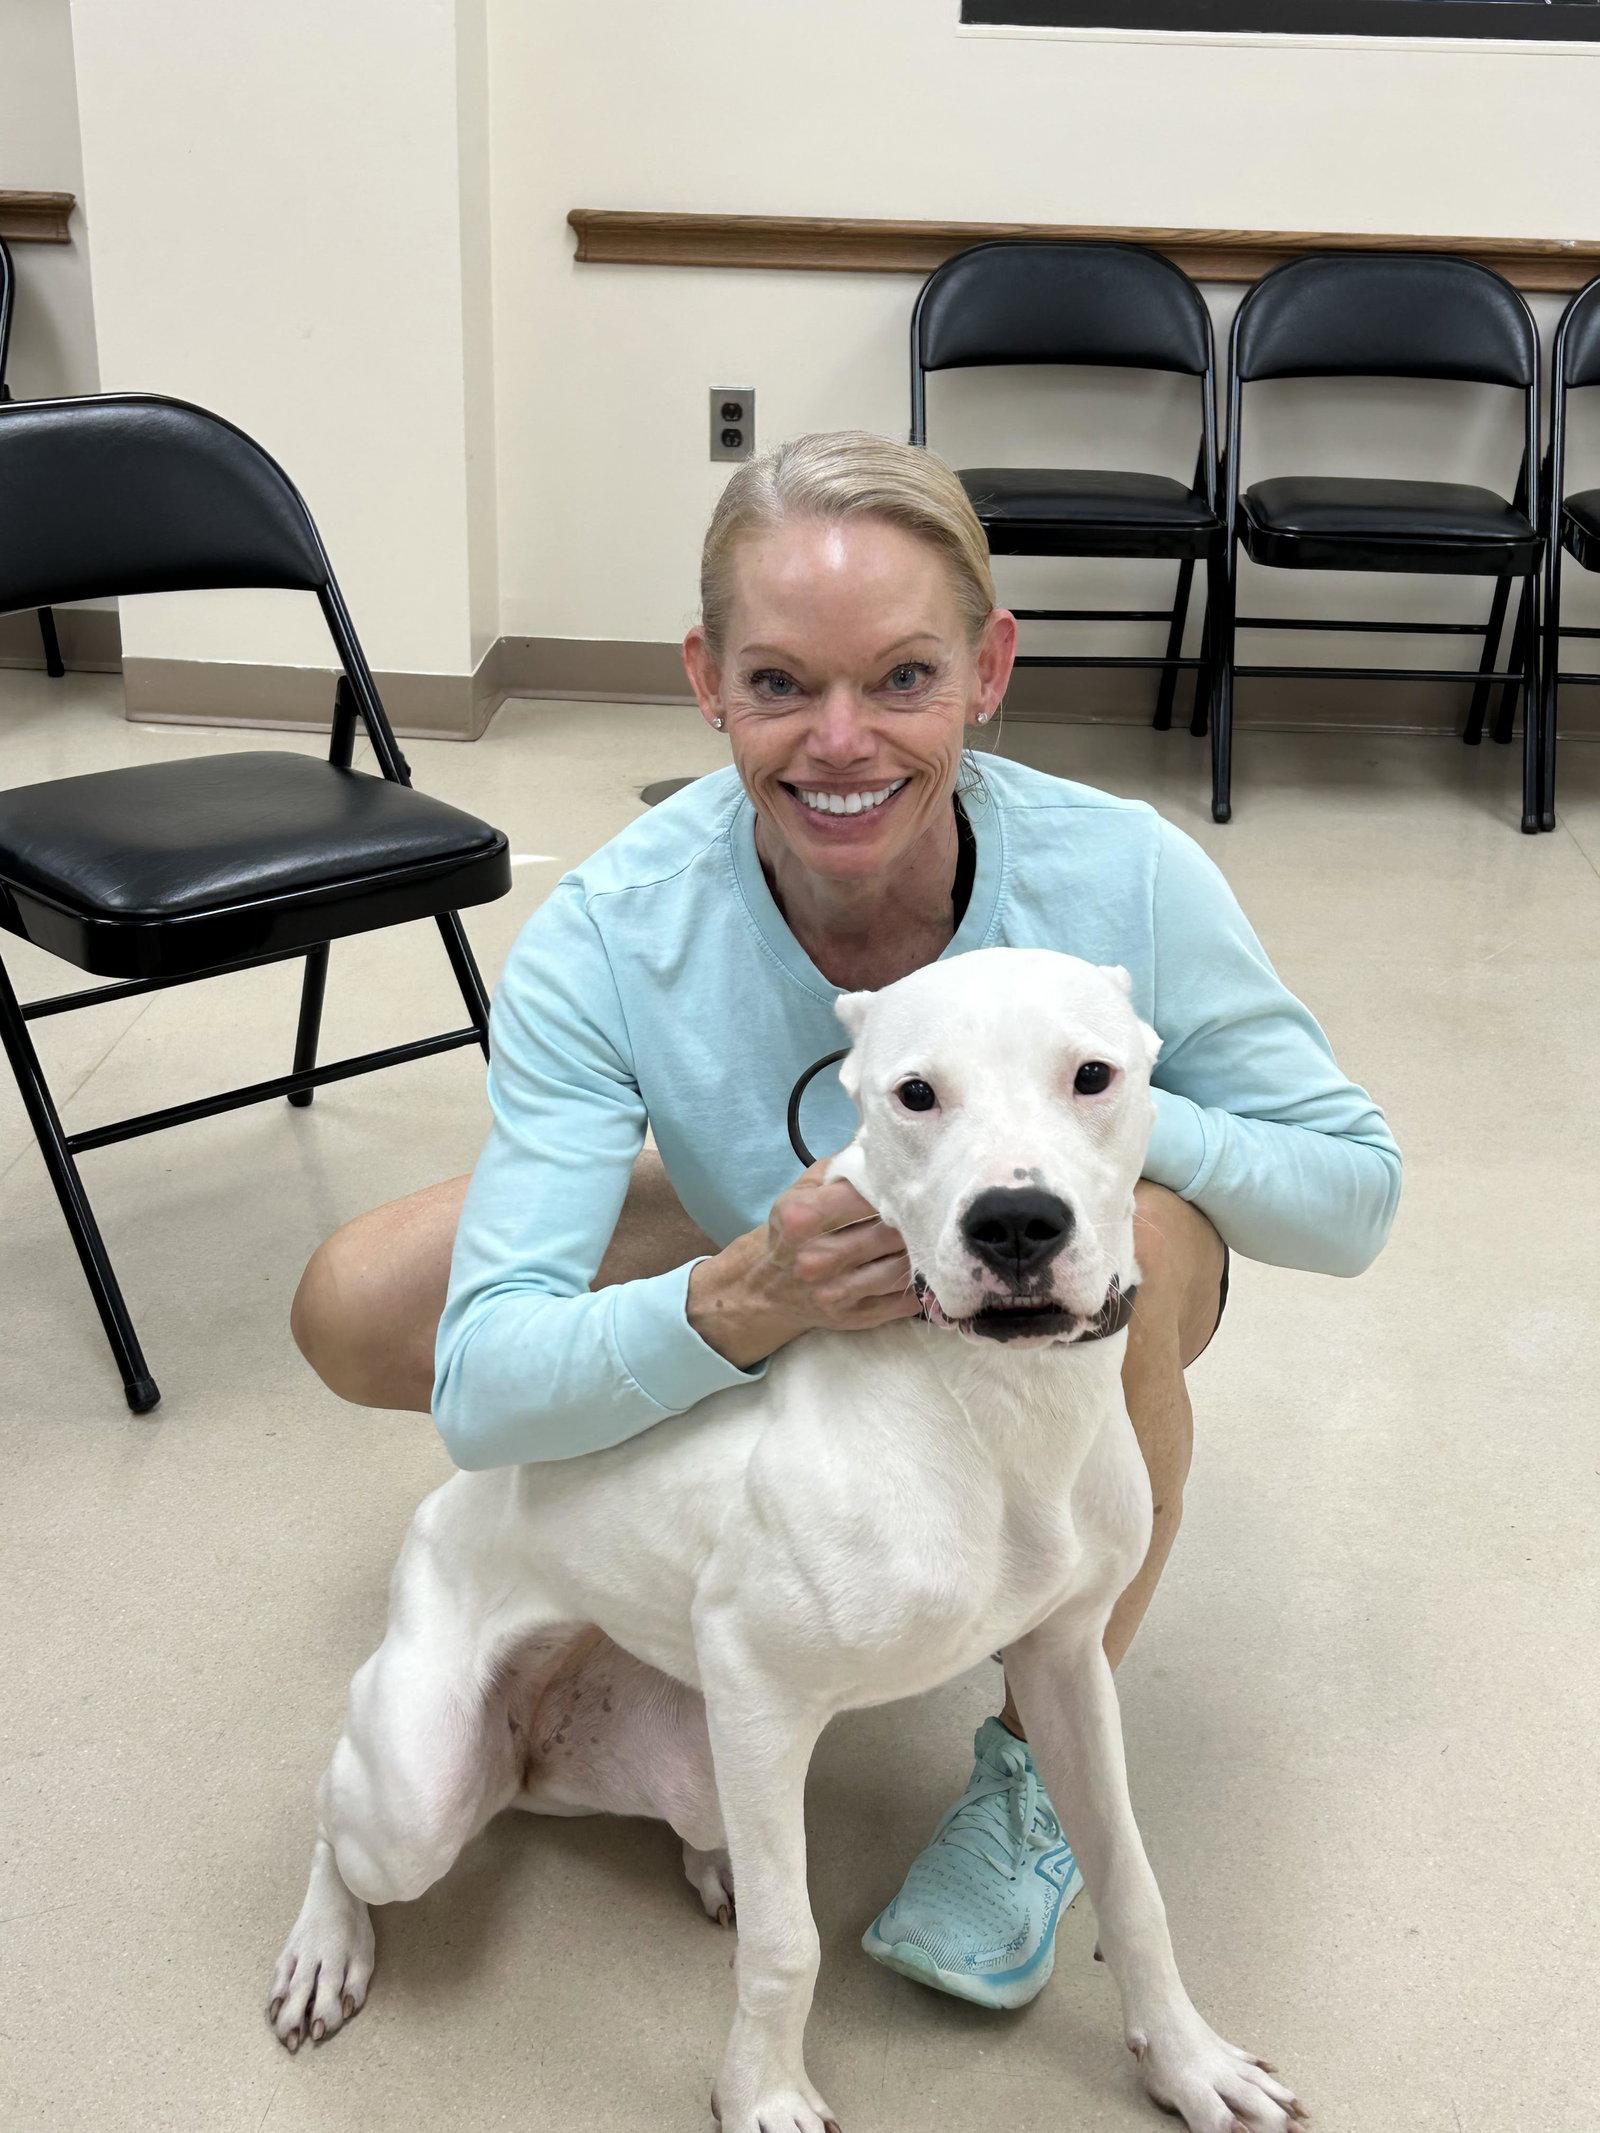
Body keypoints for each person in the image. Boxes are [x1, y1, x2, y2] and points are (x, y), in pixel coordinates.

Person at [291, 430, 1401, 2012]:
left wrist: (1089, 1112)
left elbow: (1355, 1197)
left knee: (1144, 1242)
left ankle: (1031, 1764)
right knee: (357, 1298)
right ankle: (703, 1524)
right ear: (705, 678)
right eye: (777, 684)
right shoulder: (614, 928)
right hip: (765, 1218)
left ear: (987, 667)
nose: (840, 742)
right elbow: (478, 1396)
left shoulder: (1123, 870)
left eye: (900, 677)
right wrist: (741, 1297)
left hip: (1057, 1230)